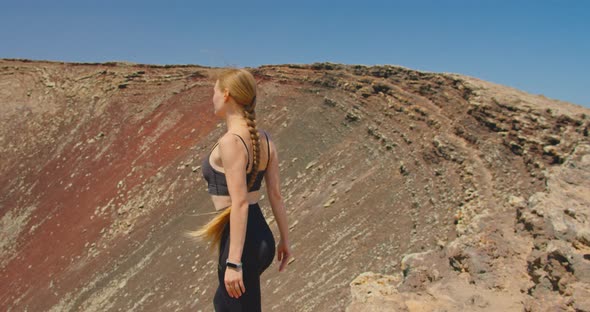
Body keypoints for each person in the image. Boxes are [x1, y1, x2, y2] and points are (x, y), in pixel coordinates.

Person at [185, 68, 292, 311]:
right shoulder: (265, 139)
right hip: (260, 235)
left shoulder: (231, 141)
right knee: (227, 304)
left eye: (213, 92)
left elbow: (240, 203)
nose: (211, 98)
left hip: (240, 241)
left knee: (228, 307)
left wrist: (234, 262)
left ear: (225, 94)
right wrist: (285, 240)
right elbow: (275, 194)